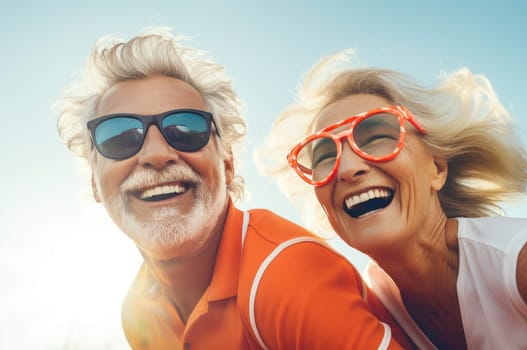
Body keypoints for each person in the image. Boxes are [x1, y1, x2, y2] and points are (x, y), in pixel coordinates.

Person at [54, 30, 415, 350]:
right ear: (94, 183)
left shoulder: (286, 274)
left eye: (185, 129)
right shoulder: (138, 311)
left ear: (227, 163)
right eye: (118, 137)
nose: (157, 154)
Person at [256, 50, 527, 349]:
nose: (347, 167)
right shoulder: (371, 305)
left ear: (437, 168)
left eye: (377, 135)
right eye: (323, 155)